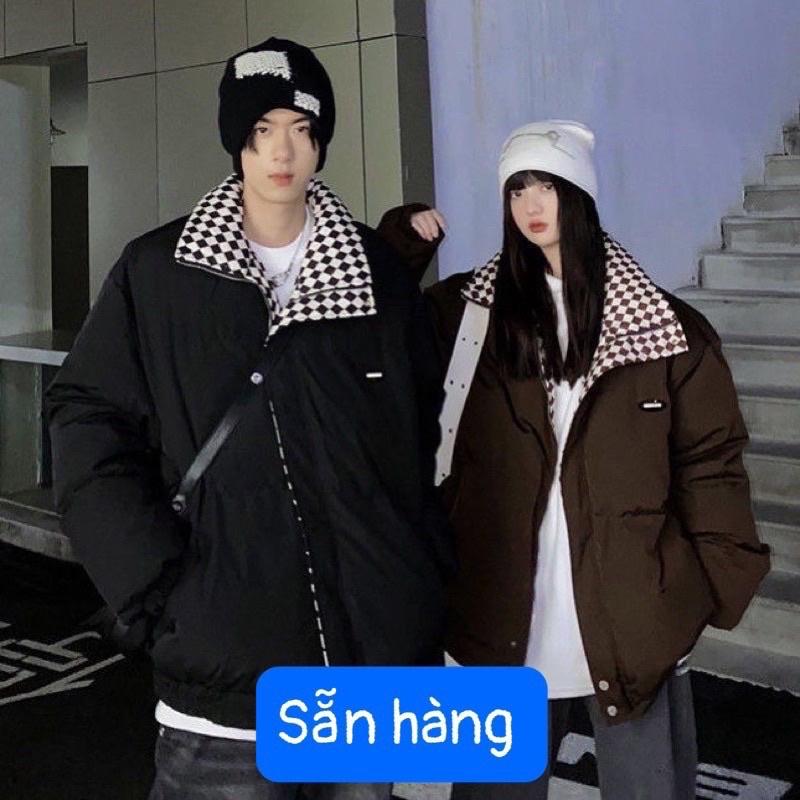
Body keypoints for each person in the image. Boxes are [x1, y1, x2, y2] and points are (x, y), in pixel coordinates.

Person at [46, 37, 450, 800]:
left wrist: (416, 586)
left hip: (365, 673)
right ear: (237, 139)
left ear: (321, 140)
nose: (282, 152)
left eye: (300, 129)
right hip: (224, 680)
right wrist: (154, 586)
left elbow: (413, 442)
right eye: (262, 130)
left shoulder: (375, 277)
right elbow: (87, 421)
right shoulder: (160, 272)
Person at [379, 120, 770, 799]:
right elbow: (373, 330)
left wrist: (704, 591)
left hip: (633, 617)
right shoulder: (470, 313)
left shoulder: (667, 329)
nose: (531, 205)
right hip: (501, 608)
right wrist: (399, 252)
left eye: (549, 186)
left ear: (580, 196)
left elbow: (710, 467)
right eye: (517, 189)